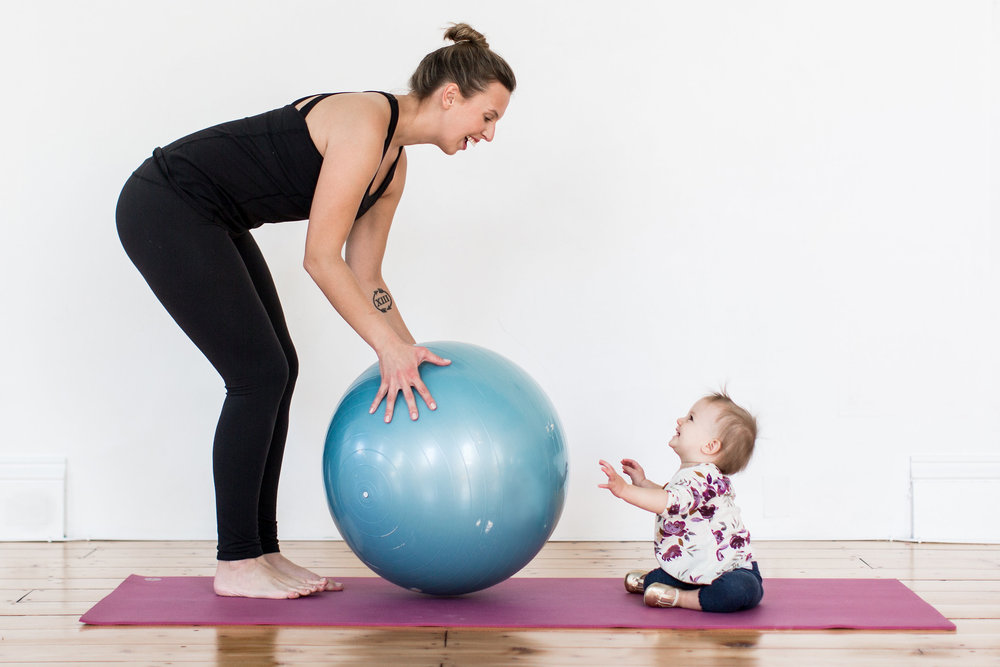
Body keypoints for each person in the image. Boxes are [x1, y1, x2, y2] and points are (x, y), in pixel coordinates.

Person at [115, 24, 515, 599]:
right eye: (489, 115)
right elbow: (322, 259)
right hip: (167, 203)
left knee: (278, 371)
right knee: (258, 375)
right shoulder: (363, 122)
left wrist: (411, 352)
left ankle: (261, 552)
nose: (490, 133)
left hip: (212, 218)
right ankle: (235, 563)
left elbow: (368, 275)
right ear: (451, 95)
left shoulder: (393, 166)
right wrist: (386, 348)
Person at [598, 391, 763, 612]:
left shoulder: (704, 478)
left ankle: (678, 598)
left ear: (710, 446)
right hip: (700, 566)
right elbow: (672, 500)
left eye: (691, 418)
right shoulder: (694, 475)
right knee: (659, 578)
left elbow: (667, 502)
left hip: (732, 570)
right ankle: (657, 584)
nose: (680, 420)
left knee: (739, 590)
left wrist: (625, 490)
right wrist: (643, 482)